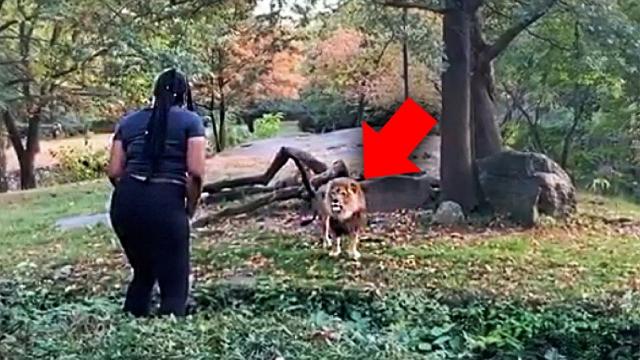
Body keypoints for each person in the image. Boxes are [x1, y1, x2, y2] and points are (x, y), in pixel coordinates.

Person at [106, 68, 206, 317]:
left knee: (143, 271)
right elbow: (195, 172)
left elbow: (114, 171)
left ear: (155, 91)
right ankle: (170, 333)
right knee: (174, 279)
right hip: (166, 202)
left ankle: (133, 320)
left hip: (125, 203)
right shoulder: (191, 121)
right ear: (184, 94)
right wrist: (189, 208)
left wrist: (134, 195)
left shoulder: (128, 122)